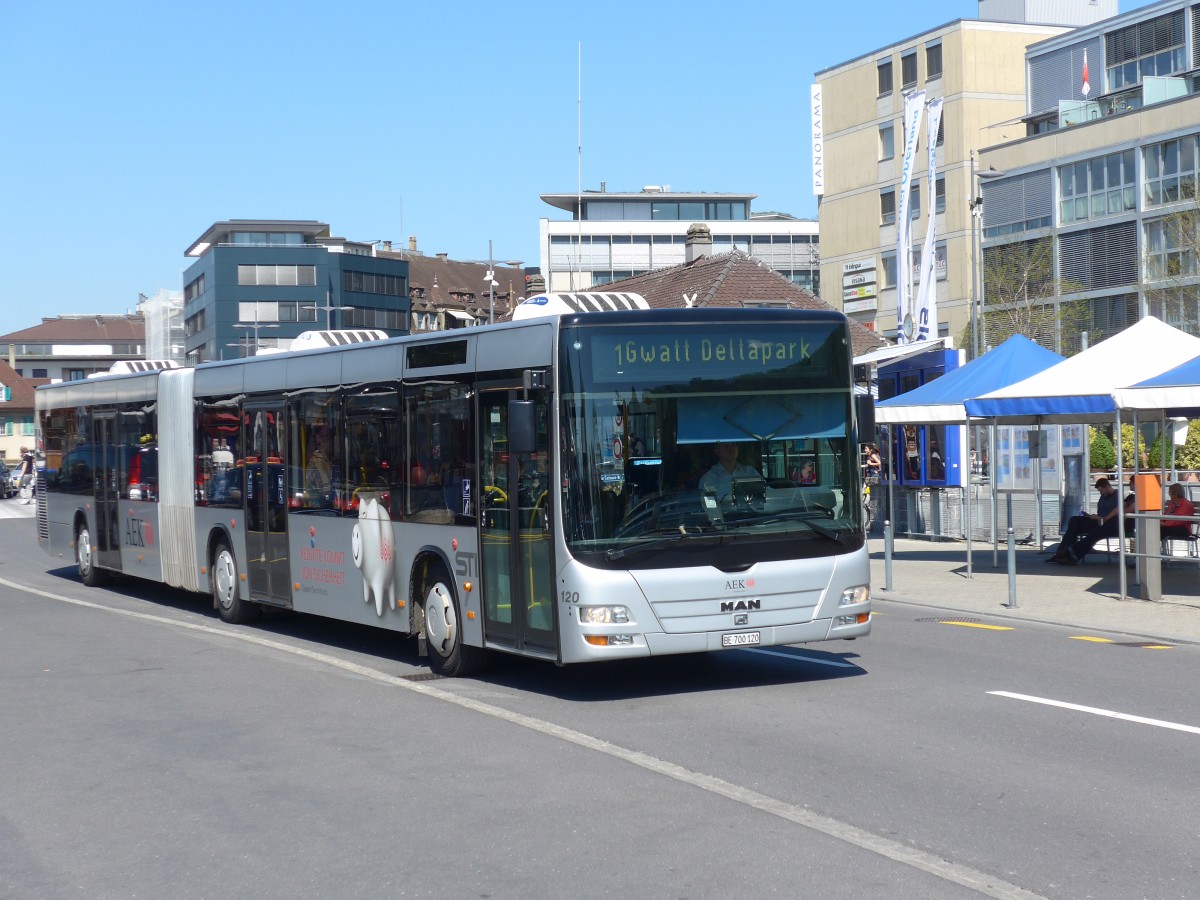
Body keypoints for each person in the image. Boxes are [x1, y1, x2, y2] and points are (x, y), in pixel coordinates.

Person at [1050, 476, 1135, 565]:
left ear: (1106, 487)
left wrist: (1103, 518)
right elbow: (1116, 509)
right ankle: (1062, 551)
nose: (1101, 493)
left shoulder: (1118, 496)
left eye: (1101, 490)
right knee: (1074, 521)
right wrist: (1093, 516)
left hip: (1110, 523)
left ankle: (1068, 553)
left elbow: (1118, 510)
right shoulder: (1128, 497)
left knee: (1094, 533)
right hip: (1100, 520)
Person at [305, 426, 336, 501]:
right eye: (327, 438)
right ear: (318, 439)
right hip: (321, 505)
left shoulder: (325, 459)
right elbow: (325, 489)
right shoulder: (318, 462)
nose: (331, 442)